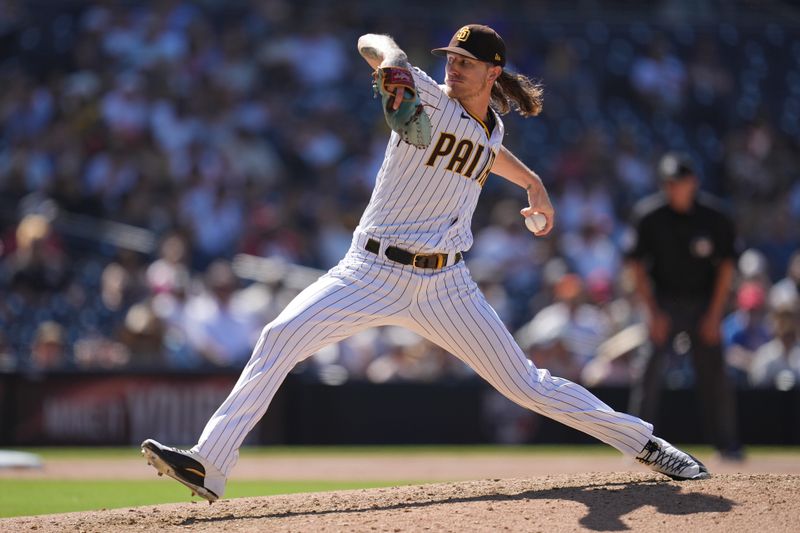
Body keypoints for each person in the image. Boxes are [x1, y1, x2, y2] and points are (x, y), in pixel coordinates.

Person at [141, 24, 709, 503]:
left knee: (527, 385)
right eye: (451, 60)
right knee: (279, 335)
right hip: (370, 271)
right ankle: (209, 464)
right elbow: (373, 41)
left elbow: (487, 148)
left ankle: (646, 444)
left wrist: (532, 181)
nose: (454, 68)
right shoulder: (426, 94)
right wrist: (390, 59)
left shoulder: (493, 127)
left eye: (466, 63)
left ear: (493, 72)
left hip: (445, 284)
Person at [626, 152, 742, 460]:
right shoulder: (650, 216)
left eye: (678, 182)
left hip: (704, 304)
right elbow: (636, 266)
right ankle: (637, 444)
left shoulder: (715, 217)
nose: (672, 188)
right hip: (664, 303)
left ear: (693, 182)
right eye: (667, 183)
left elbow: (727, 268)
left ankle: (727, 444)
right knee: (649, 370)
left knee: (714, 372)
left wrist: (716, 316)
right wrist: (652, 313)